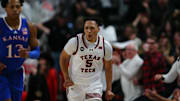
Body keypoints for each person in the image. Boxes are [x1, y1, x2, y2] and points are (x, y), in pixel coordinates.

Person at [60, 17, 114, 101]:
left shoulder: (105, 45)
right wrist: (66, 77)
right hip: (75, 84)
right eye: (86, 28)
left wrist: (109, 89)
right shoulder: (75, 42)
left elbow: (108, 68)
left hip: (94, 85)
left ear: (98, 29)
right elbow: (63, 58)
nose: (89, 30)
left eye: (92, 28)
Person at [0, 0, 40, 101]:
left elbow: (37, 52)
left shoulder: (29, 26)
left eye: (18, 7)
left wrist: (28, 54)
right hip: (1, 72)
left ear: (21, 7)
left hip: (16, 72)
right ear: (5, 8)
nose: (15, 10)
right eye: (12, 7)